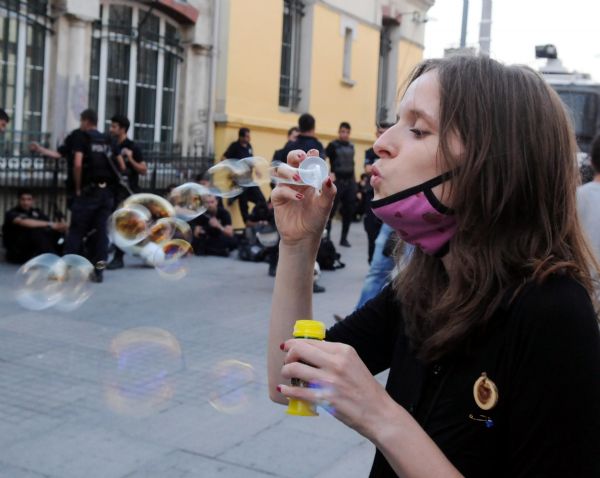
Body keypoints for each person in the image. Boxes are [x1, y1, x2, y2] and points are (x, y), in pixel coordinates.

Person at [268, 55, 600, 477]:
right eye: (393, 122)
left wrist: (382, 416)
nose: (382, 143)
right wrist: (299, 246)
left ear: (493, 162)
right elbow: (291, 382)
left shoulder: (554, 311)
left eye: (418, 129)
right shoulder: (422, 285)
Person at [62, 109, 122, 282]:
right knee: (101, 234)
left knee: (76, 231)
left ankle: (66, 269)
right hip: (107, 194)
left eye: (81, 121)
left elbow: (78, 164)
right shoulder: (108, 139)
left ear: (86, 121)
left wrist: (78, 187)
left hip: (88, 192)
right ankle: (99, 271)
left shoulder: (82, 137)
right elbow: (121, 166)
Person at [106, 114, 147, 270]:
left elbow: (143, 170)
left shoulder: (132, 147)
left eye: (114, 126)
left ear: (122, 129)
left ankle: (118, 257)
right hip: (111, 190)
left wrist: (130, 159)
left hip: (127, 192)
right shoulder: (109, 145)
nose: (111, 129)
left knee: (121, 225)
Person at [2, 189, 67, 263]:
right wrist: (51, 224)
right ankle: (54, 260)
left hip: (33, 251)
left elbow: (51, 224)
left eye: (28, 199)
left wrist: (61, 225)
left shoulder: (36, 212)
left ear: (33, 200)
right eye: (23, 199)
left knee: (56, 233)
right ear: (19, 200)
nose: (26, 202)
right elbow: (25, 222)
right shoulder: (12, 213)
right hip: (17, 252)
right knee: (34, 230)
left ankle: (59, 256)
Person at [222, 127, 266, 223]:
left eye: (249, 136)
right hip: (240, 181)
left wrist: (256, 170)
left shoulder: (249, 146)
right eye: (247, 136)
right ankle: (247, 222)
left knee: (261, 199)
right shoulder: (235, 146)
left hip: (249, 180)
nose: (249, 138)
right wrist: (232, 169)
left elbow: (251, 160)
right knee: (243, 203)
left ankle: (257, 218)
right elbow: (224, 157)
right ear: (241, 137)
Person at [326, 122, 357, 247]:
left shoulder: (351, 146)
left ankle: (344, 238)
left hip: (349, 182)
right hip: (337, 181)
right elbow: (322, 158)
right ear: (339, 132)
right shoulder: (332, 145)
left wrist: (355, 185)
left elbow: (352, 165)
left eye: (347, 132)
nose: (344, 134)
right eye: (342, 131)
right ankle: (326, 237)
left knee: (348, 212)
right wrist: (327, 174)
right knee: (330, 211)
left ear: (349, 133)